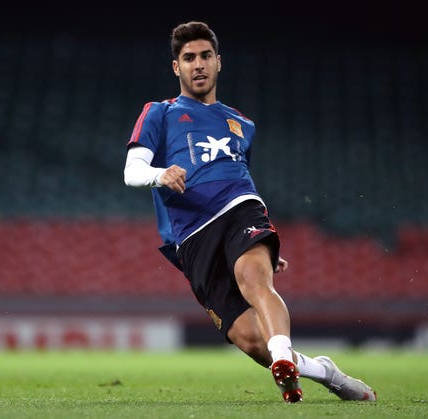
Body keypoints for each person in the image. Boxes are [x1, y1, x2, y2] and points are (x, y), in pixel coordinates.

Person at [123, 21, 377, 403]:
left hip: (240, 208)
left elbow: (241, 177)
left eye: (205, 56)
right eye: (188, 58)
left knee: (255, 280)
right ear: (176, 67)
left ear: (219, 62)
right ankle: (325, 372)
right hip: (192, 238)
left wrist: (264, 244)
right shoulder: (159, 113)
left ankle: (283, 366)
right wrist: (161, 174)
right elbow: (131, 172)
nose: (198, 65)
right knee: (250, 339)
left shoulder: (242, 124)